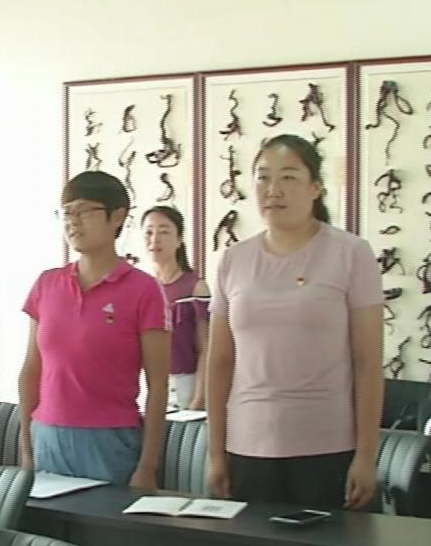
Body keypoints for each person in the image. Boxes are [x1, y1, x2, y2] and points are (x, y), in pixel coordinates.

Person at [203, 135, 382, 509]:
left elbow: (368, 363)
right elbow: (219, 363)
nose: (273, 190)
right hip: (247, 445)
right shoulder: (233, 260)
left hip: (328, 446)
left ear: (316, 188)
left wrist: (367, 456)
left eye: (288, 177)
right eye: (263, 177)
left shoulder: (351, 253)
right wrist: (216, 452)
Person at [19, 171, 168, 487]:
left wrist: (148, 465)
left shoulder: (144, 289)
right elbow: (31, 369)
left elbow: (158, 384)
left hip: (110, 440)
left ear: (118, 217)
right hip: (48, 434)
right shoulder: (47, 284)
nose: (73, 221)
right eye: (67, 212)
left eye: (85, 210)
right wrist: (26, 444)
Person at [141, 205, 210, 411]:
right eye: (149, 232)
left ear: (179, 239)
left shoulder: (195, 287)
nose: (155, 239)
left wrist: (199, 398)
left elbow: (206, 347)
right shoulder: (141, 287)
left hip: (185, 386)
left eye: (164, 232)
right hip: (146, 385)